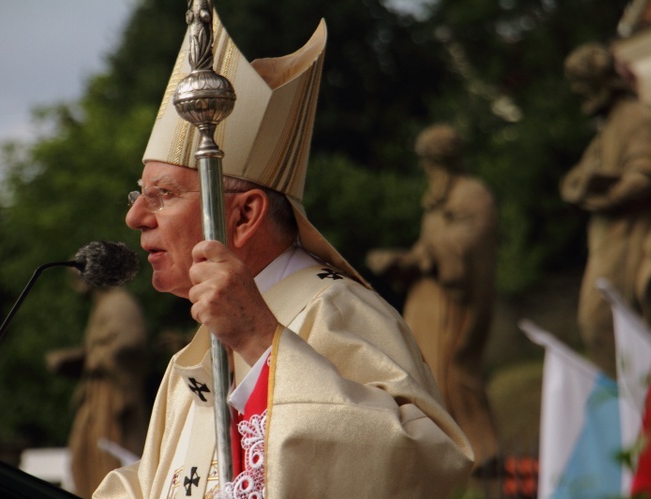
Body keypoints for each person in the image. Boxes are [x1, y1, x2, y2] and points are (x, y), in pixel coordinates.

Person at [95, 12, 473, 498]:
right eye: (137, 195)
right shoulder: (193, 354)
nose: (135, 218)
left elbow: (424, 464)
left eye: (163, 195)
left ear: (245, 215)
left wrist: (258, 340)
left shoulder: (337, 310)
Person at [366, 124, 500, 473]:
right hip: (426, 303)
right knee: (425, 375)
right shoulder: (437, 202)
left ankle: (478, 453)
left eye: (431, 163)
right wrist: (403, 261)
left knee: (453, 375)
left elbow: (468, 246)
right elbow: (430, 249)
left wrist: (415, 257)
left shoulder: (473, 195)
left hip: (454, 304)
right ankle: (444, 456)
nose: (428, 171)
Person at [561, 42, 651, 377]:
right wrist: (583, 187)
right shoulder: (606, 131)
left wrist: (609, 196)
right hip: (611, 242)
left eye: (581, 82)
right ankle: (645, 411)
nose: (577, 91)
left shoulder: (641, 118)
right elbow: (572, 182)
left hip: (639, 240)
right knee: (599, 326)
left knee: (609, 324)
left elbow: (650, 171)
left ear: (600, 81)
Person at [47, 281, 148, 498]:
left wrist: (92, 359)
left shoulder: (119, 304)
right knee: (83, 458)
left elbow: (131, 342)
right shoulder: (103, 304)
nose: (75, 278)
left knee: (107, 456)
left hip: (111, 398)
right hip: (95, 396)